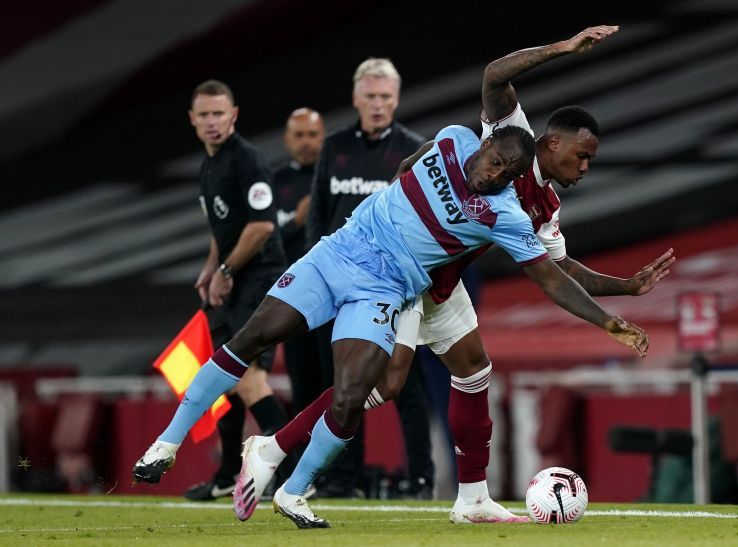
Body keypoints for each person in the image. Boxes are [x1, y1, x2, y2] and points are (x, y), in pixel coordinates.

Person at [233, 25, 674, 526]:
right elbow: (493, 76)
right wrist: (562, 49)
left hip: (441, 285)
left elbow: (559, 269)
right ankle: (272, 448)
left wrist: (625, 287)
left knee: (473, 372)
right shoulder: (511, 135)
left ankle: (471, 498)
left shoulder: (545, 208)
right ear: (552, 143)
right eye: (582, 155)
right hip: (403, 271)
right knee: (386, 382)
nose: (586, 167)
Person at [132, 80, 293, 500]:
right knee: (225, 376)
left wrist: (224, 270)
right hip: (233, 277)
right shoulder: (209, 165)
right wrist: (210, 268)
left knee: (248, 378)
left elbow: (260, 226)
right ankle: (226, 475)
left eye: (219, 113)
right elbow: (222, 228)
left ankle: (296, 470)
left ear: (233, 115)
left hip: (258, 277)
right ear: (192, 119)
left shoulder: (247, 161)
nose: (212, 122)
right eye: (204, 115)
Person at [305, 58, 434, 499]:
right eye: (371, 96)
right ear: (356, 98)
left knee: (407, 386)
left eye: (385, 97)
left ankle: (421, 480)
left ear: (396, 99)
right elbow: (318, 216)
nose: (378, 105)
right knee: (342, 385)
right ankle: (344, 478)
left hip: (393, 287)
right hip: (338, 284)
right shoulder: (334, 147)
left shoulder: (415, 151)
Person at [273, 108, 326, 414]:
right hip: (293, 301)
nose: (306, 142)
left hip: (334, 297)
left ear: (323, 138)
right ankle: (303, 459)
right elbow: (263, 243)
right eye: (299, 135)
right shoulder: (275, 183)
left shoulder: (334, 179)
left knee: (339, 388)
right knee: (303, 386)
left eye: (313, 135)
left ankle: (345, 463)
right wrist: (296, 221)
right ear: (287, 140)